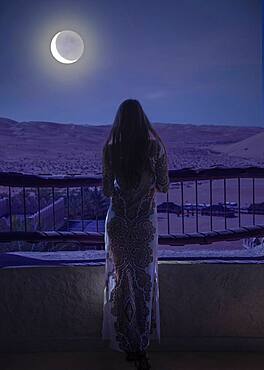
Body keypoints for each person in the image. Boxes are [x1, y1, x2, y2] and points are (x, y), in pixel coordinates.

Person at [101, 99, 169, 370]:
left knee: (121, 282)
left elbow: (107, 190)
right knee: (143, 283)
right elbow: (163, 185)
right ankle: (141, 348)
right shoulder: (154, 148)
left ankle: (125, 344)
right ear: (143, 121)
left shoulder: (110, 151)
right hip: (143, 225)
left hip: (119, 224)